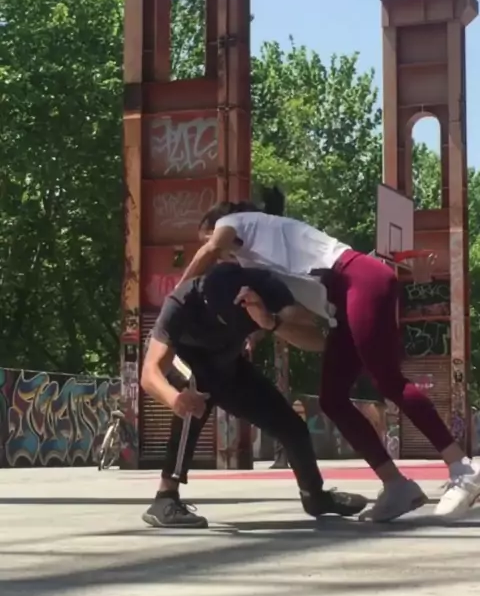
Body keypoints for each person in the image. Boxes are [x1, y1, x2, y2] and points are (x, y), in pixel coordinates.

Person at [174, 196, 480, 523]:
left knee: (388, 380)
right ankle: (396, 486)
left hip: (359, 278)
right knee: (332, 399)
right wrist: (260, 329)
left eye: (205, 239)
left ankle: (463, 469)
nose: (214, 253)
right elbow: (298, 319)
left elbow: (210, 250)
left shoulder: (235, 223)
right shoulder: (255, 262)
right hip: (340, 304)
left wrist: (177, 297)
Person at [140, 262, 368, 528]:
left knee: (291, 426)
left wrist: (271, 322)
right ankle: (165, 498)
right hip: (184, 360)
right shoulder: (181, 303)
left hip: (227, 365)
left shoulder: (265, 287)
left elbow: (317, 338)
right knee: (192, 393)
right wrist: (173, 399)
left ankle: (314, 496)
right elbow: (150, 373)